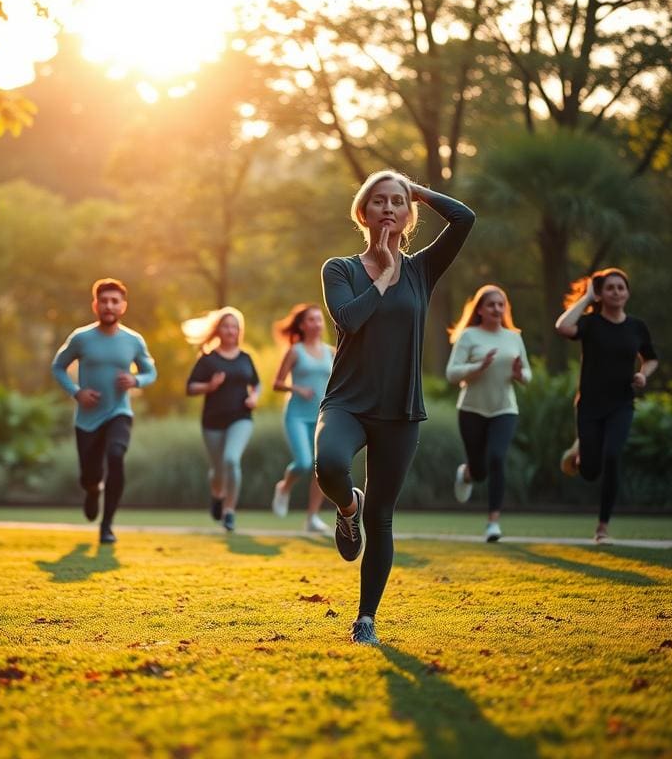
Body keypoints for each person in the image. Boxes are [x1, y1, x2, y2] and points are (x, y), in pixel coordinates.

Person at [315, 169, 475, 645]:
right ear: (363, 212)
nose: (388, 207)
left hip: (399, 411)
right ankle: (348, 507)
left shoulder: (424, 269)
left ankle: (366, 619)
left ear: (408, 214)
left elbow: (464, 218)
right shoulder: (339, 269)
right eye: (379, 200)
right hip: (347, 402)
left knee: (381, 517)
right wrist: (384, 276)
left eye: (397, 201)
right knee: (329, 465)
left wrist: (417, 190)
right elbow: (349, 319)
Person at [554, 268, 658, 544]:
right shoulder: (590, 324)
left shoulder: (637, 327)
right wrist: (588, 297)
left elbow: (651, 358)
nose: (616, 292)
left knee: (612, 456)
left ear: (628, 293)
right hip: (589, 406)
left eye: (621, 287)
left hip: (621, 404)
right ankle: (580, 451)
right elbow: (562, 327)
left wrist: (643, 374)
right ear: (601, 293)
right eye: (610, 287)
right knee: (590, 472)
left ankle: (602, 528)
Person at [52, 278, 157, 544]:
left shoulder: (133, 340)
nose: (109, 306)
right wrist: (77, 392)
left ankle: (107, 525)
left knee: (116, 455)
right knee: (90, 476)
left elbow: (150, 372)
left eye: (114, 301)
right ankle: (91, 490)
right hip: (87, 420)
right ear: (95, 305)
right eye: (104, 301)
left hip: (119, 412)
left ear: (123, 306)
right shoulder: (81, 338)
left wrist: (136, 380)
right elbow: (58, 367)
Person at [445, 285, 531, 542]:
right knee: (480, 471)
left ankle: (493, 522)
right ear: (480, 310)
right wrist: (478, 367)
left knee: (496, 458)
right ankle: (468, 473)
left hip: (504, 409)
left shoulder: (514, 337)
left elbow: (528, 374)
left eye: (501, 304)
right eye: (491, 304)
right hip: (471, 410)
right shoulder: (469, 336)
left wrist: (520, 374)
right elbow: (452, 374)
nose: (497, 308)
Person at [184, 307, 260, 533]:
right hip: (213, 421)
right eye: (226, 326)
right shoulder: (208, 360)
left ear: (239, 331)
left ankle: (229, 511)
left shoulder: (245, 358)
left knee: (231, 460)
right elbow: (190, 387)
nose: (230, 330)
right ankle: (217, 495)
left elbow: (256, 383)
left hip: (241, 418)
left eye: (234, 327)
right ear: (218, 330)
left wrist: (254, 397)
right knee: (218, 470)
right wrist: (209, 386)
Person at [270, 303, 334, 534]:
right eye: (311, 320)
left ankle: (312, 518)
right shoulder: (295, 351)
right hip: (296, 416)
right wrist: (297, 389)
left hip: (322, 417)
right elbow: (277, 383)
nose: (316, 324)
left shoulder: (331, 352)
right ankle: (284, 487)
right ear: (302, 325)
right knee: (304, 462)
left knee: (321, 467)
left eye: (319, 319)